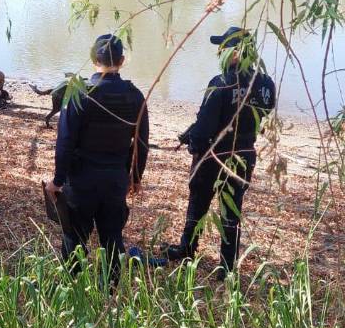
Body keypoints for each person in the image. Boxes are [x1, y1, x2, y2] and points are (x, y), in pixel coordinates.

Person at [165, 27, 276, 279]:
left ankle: (187, 248)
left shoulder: (220, 83)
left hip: (213, 157)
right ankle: (227, 268)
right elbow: (260, 115)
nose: (220, 52)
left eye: (224, 47)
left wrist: (194, 144)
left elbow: (205, 128)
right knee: (231, 211)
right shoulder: (266, 84)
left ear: (236, 52)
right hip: (245, 153)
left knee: (198, 204)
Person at [44, 34, 149, 284]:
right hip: (115, 178)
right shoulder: (135, 96)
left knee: (74, 236)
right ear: (122, 61)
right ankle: (109, 291)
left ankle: (72, 288)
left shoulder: (80, 93)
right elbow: (141, 143)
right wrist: (134, 178)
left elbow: (65, 140)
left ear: (94, 60)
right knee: (112, 236)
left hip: (82, 179)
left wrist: (57, 180)